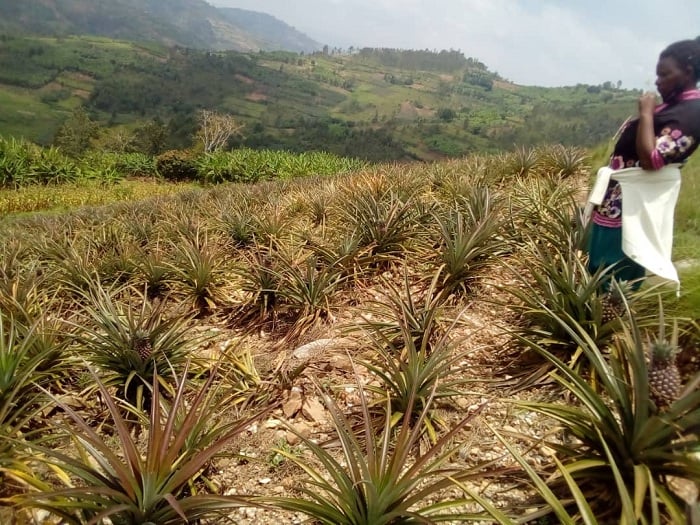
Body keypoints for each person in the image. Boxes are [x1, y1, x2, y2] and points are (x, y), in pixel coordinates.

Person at [587, 37, 700, 290]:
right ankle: (592, 319)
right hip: (618, 201)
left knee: (616, 272)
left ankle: (606, 324)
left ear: (688, 72)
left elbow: (652, 160)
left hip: (632, 206)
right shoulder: (676, 107)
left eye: (665, 75)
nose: (658, 81)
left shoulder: (693, 113)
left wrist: (647, 114)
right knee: (600, 266)